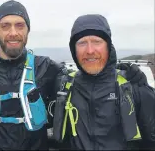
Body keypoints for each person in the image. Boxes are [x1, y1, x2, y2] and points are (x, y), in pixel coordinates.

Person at [0, 0, 63, 150]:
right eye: (5, 26)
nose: (13, 33)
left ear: (28, 29)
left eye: (20, 25)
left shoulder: (47, 67)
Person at [52, 14, 155, 150]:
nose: (89, 50)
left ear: (108, 46)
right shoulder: (65, 88)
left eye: (96, 41)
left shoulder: (133, 86)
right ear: (73, 50)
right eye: (82, 43)